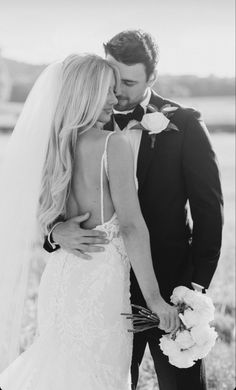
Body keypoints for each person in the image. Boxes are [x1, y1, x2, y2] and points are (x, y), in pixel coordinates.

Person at [44, 31, 224, 390]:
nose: (117, 92)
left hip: (169, 292)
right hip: (101, 294)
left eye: (128, 82)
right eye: (112, 79)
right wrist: (53, 232)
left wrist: (194, 289)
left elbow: (209, 212)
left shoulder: (185, 124)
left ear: (151, 78)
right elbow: (50, 197)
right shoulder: (78, 127)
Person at [0, 54, 180, 390]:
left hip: (60, 282)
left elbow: (37, 214)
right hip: (100, 286)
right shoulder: (114, 144)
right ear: (86, 94)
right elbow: (130, 226)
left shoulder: (52, 145)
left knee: (57, 365)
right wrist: (155, 298)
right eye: (107, 91)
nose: (115, 99)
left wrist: (54, 230)